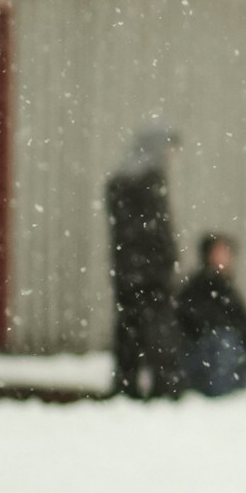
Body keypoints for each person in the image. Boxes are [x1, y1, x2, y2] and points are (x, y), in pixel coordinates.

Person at [105, 124, 184, 401]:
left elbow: (124, 233)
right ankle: (163, 385)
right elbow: (156, 230)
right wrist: (168, 261)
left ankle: (127, 384)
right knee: (157, 331)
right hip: (151, 274)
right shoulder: (149, 179)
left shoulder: (119, 180)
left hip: (127, 272)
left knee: (129, 329)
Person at [176, 233, 246, 397]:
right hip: (200, 356)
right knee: (224, 337)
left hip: (223, 350)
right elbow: (196, 320)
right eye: (221, 252)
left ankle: (235, 388)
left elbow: (241, 319)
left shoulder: (227, 288)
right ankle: (218, 389)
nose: (226, 257)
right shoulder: (198, 285)